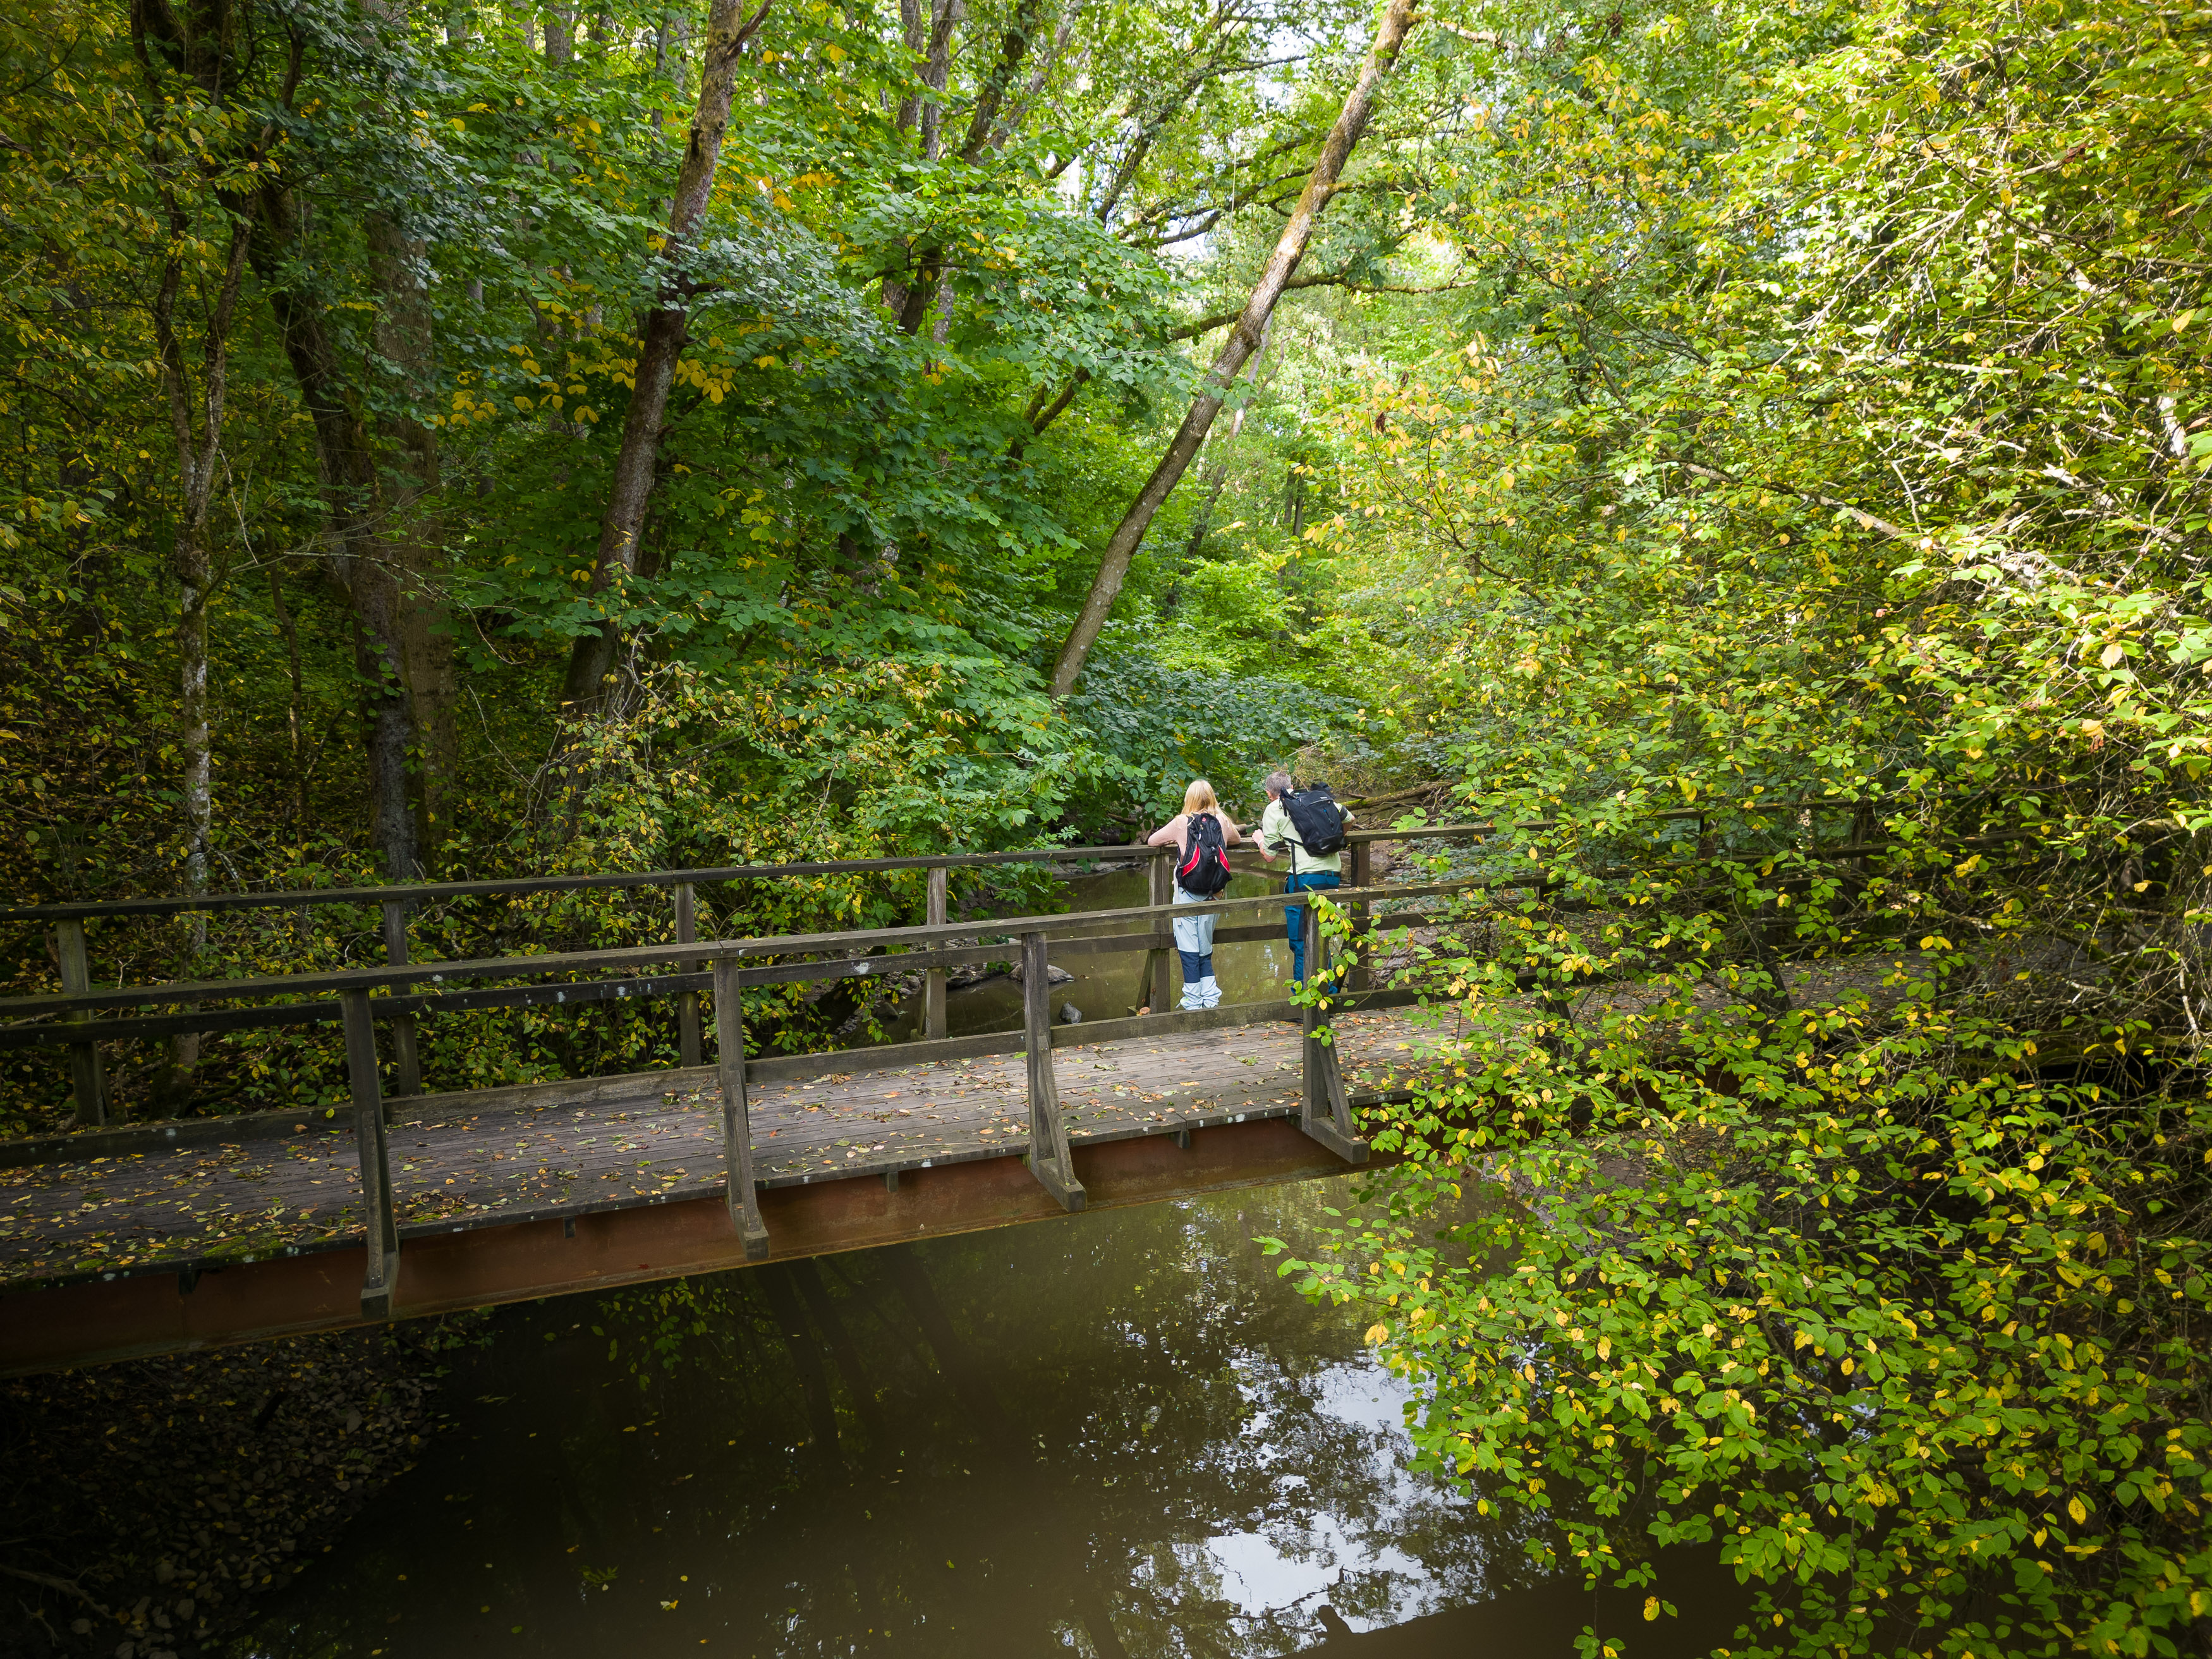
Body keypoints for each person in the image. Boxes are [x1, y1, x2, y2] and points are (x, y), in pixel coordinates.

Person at [1146, 779, 1243, 1010]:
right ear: (1212, 797)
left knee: (1189, 948)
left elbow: (1152, 841)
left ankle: (1192, 1001)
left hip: (1187, 894)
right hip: (1215, 893)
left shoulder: (1182, 822)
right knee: (1205, 946)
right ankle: (1210, 999)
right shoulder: (1222, 821)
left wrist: (1177, 839)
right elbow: (1237, 840)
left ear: (1189, 799)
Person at [1256, 770, 1353, 985]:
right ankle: (1328, 994)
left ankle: (1305, 1005)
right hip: (1332, 875)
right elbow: (1349, 818)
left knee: (1302, 942)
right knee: (1321, 937)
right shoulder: (1315, 799)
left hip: (1305, 880)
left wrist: (1259, 840)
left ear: (1269, 793)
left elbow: (1270, 857)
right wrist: (1337, 838)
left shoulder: (1274, 808)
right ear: (1291, 785)